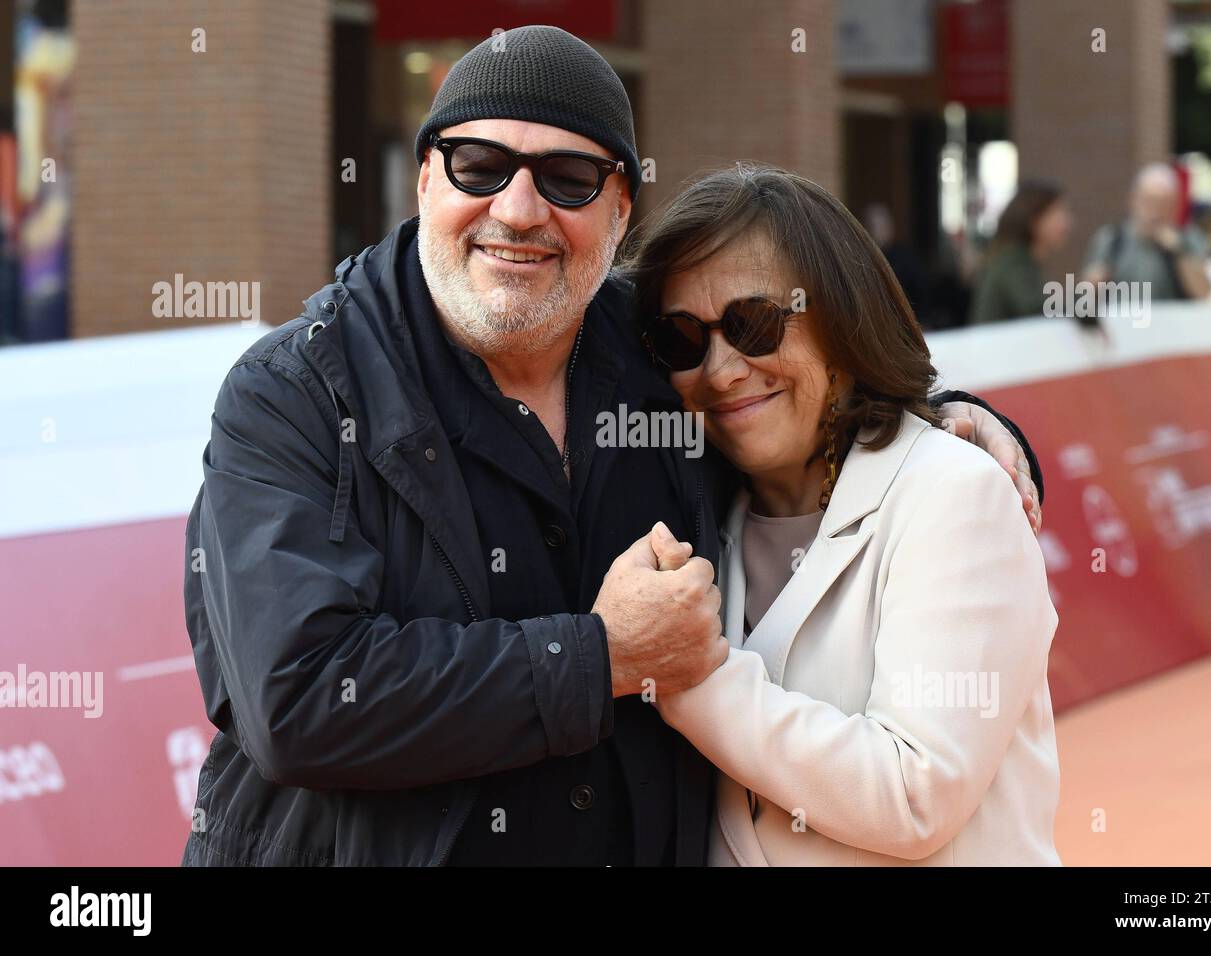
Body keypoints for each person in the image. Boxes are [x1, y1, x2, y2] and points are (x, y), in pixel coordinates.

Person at [181, 25, 1043, 867]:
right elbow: (296, 701)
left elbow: (785, 372)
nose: (517, 212)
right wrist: (599, 658)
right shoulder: (292, 395)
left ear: (621, 207)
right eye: (479, 166)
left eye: (568, 178)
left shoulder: (660, 351)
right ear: (424, 181)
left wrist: (937, 414)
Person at [625, 164, 1060, 865]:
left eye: (754, 323)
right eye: (682, 339)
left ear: (842, 316)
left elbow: (916, 795)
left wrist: (692, 674)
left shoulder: (953, 494)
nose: (721, 368)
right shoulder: (694, 514)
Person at [1083, 163, 1211, 301]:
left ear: (1175, 206)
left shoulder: (1189, 239)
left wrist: (1178, 251)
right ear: (1133, 200)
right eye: (1149, 202)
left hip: (1173, 320)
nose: (1155, 211)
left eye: (1163, 204)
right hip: (1121, 319)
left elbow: (1203, 293)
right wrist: (1095, 281)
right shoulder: (1112, 239)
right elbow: (1085, 292)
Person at [969, 179, 1072, 325]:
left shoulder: (1018, 259)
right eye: (1058, 213)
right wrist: (1086, 294)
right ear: (1034, 219)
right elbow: (1036, 308)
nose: (1066, 223)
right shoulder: (1014, 262)